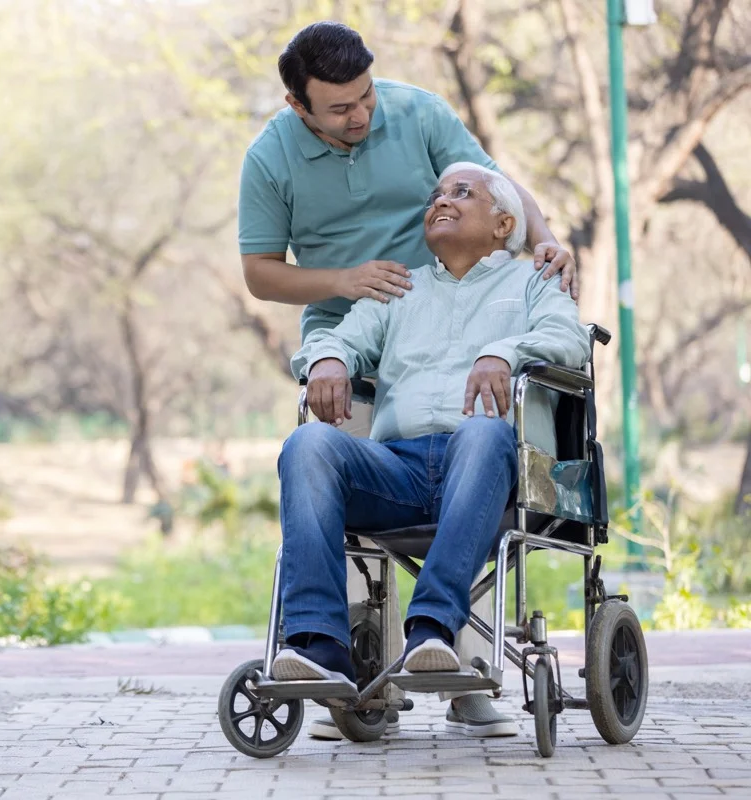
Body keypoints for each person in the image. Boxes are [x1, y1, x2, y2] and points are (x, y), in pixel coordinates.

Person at [239, 20, 577, 738]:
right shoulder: (271, 158)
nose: (360, 114)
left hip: (469, 421)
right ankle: (337, 668)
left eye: (364, 97)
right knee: (315, 458)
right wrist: (333, 331)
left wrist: (541, 243)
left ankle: (451, 662)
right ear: (299, 105)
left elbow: (502, 190)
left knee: (486, 436)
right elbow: (260, 271)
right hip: (361, 331)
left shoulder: (420, 118)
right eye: (340, 108)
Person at [271, 164, 590, 726]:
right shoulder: (401, 290)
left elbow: (568, 339)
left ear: (503, 223)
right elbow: (340, 336)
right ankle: (318, 645)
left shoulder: (533, 280)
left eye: (462, 193)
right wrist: (326, 359)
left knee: (484, 430)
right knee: (309, 445)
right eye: (436, 195)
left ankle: (432, 628)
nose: (442, 201)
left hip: (490, 468)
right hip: (397, 469)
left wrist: (505, 352)